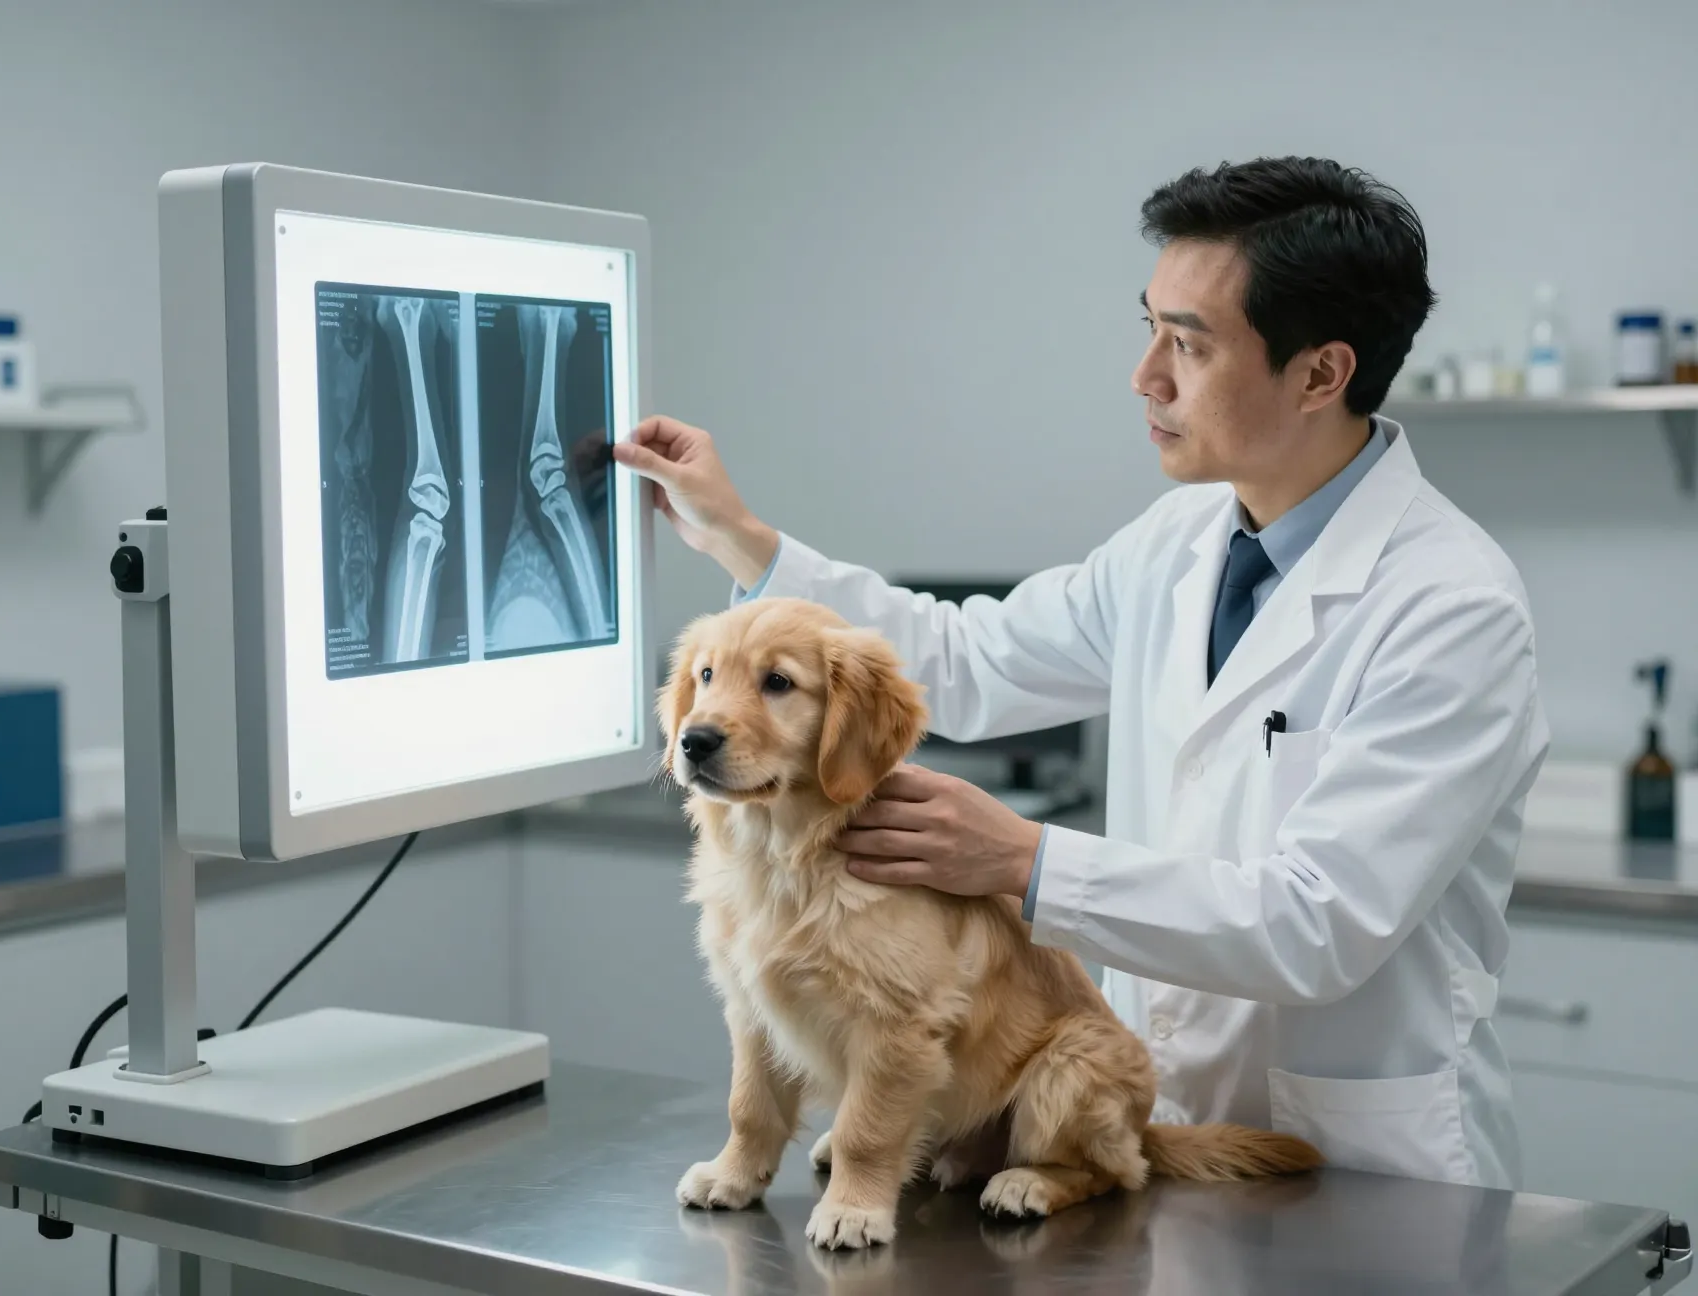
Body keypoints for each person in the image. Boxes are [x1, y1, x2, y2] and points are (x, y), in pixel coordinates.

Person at [614, 156, 1549, 1189]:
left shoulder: (1450, 604)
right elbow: (971, 662)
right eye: (1148, 327)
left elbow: (1318, 924)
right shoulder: (1180, 540)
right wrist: (742, 538)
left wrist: (1026, 862)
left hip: (1374, 1179)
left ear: (1322, 373)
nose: (1146, 376)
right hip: (1127, 1140)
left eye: (1188, 344)